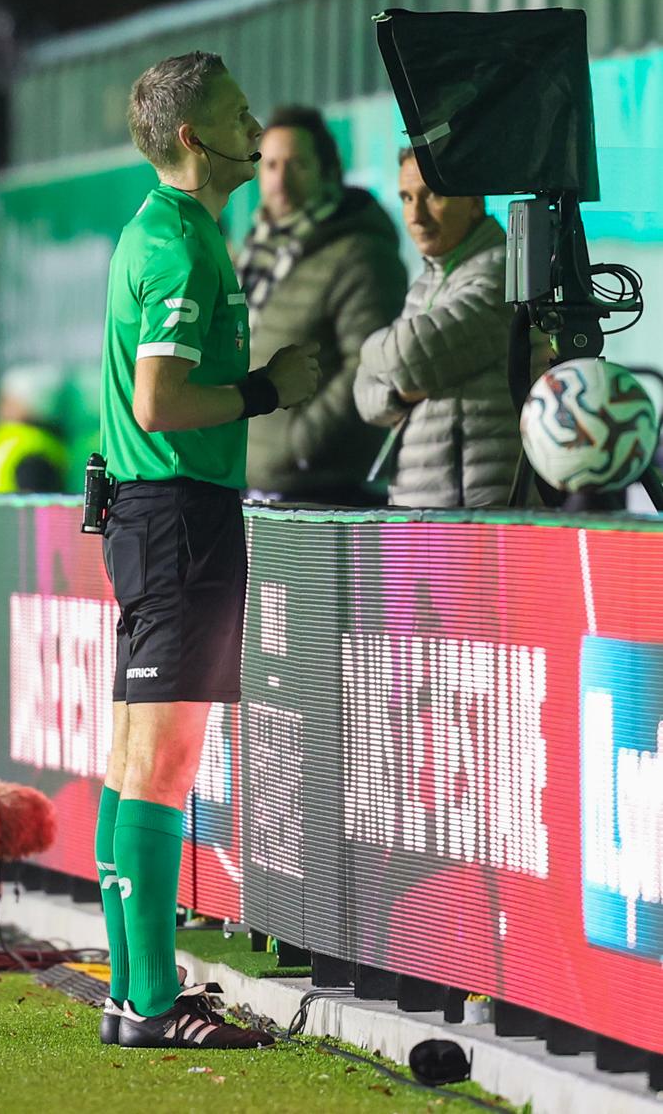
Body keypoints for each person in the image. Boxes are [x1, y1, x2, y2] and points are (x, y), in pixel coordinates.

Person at [95, 51, 318, 1050]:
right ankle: (150, 1003)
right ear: (194, 137)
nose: (256, 128)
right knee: (162, 764)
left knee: (132, 761)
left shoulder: (161, 228)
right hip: (177, 516)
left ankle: (130, 994)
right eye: (238, 114)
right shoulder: (181, 244)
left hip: (152, 515)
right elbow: (159, 401)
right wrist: (269, 389)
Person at [239, 105, 407, 505]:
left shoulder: (361, 253)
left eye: (297, 165)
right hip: (256, 484)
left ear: (329, 172)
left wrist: (298, 446)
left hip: (324, 490)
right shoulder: (259, 252)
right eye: (270, 165)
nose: (281, 179)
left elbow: (367, 364)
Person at [353, 148, 522, 507]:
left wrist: (367, 354)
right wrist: (398, 395)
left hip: (476, 510)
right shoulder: (428, 282)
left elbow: (409, 356)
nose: (416, 215)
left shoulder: (504, 273)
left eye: (433, 195)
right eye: (406, 197)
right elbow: (364, 397)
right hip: (423, 508)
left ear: (474, 202)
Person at [0, 364, 68, 493]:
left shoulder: (33, 449)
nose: (0, 406)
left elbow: (33, 500)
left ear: (28, 405)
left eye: (7, 399)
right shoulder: (9, 440)